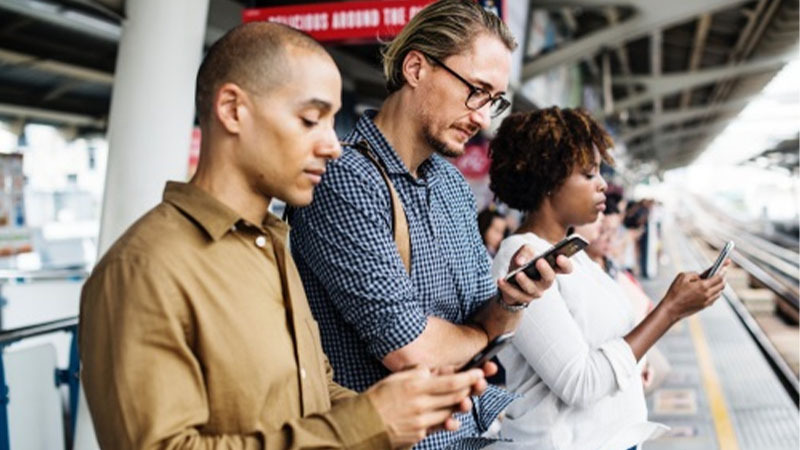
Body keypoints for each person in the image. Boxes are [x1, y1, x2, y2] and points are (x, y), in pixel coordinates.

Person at [79, 22, 493, 450]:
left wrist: (406, 411)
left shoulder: (271, 247)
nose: (333, 146)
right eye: (310, 120)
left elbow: (310, 394)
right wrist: (368, 422)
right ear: (233, 109)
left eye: (332, 123)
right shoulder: (143, 269)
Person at [287, 1, 570, 447]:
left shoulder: (452, 187)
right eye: (475, 90)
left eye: (493, 101)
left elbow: (489, 316)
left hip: (473, 434)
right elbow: (411, 350)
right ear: (416, 67)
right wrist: (481, 330)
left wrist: (513, 301)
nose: (481, 118)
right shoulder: (343, 179)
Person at [487, 107, 729, 450]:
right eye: (589, 174)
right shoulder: (521, 259)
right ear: (548, 180)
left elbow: (612, 341)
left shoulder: (574, 254)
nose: (603, 184)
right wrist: (671, 310)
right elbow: (581, 383)